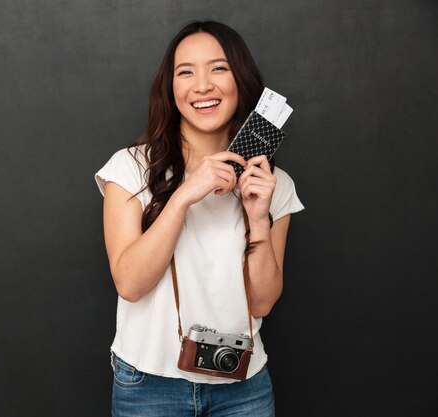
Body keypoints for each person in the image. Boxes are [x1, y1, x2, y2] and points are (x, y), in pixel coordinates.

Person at [95, 21, 304, 417]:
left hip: (243, 388)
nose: (202, 85)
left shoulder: (274, 185)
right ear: (170, 89)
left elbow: (262, 302)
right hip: (148, 387)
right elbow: (130, 283)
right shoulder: (130, 169)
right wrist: (185, 196)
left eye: (219, 68)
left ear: (240, 80)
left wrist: (259, 218)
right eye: (185, 72)